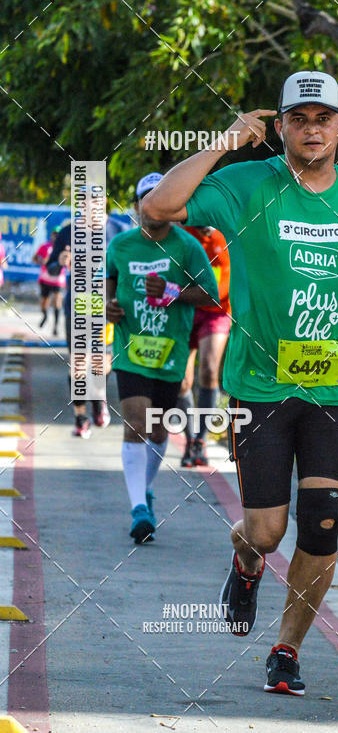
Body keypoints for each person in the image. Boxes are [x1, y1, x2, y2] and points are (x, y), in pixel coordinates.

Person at [144, 70, 338, 694]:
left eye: (323, 117)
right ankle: (246, 561)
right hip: (260, 390)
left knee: (322, 523)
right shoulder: (246, 186)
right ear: (281, 126)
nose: (312, 129)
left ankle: (286, 650)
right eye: (298, 118)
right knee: (268, 530)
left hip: (333, 392)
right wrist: (222, 143)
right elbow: (158, 209)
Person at [106, 173, 220, 544]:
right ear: (137, 206)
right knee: (135, 420)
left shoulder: (187, 247)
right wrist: (107, 308)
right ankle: (139, 508)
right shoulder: (120, 245)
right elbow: (106, 284)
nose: (153, 207)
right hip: (131, 350)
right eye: (145, 199)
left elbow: (211, 295)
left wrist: (172, 290)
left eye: (161, 199)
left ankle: (146, 491)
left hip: (169, 352)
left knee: (158, 429)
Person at [46, 197, 125, 436]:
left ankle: (98, 397)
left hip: (106, 305)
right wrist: (59, 262)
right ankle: (80, 417)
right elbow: (51, 267)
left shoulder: (118, 231)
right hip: (78, 305)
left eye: (95, 201)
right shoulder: (69, 232)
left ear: (104, 203)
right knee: (79, 362)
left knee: (104, 359)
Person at [178, 225, 232, 468]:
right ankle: (190, 440)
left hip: (218, 312)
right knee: (183, 381)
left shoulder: (227, 233)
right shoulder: (182, 233)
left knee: (209, 371)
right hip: (187, 309)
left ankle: (201, 440)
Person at [33, 228, 66, 335]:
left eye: (58, 234)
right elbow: (35, 258)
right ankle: (45, 315)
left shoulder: (65, 248)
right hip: (45, 278)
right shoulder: (45, 246)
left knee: (57, 302)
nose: (56, 236)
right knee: (44, 302)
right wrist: (42, 261)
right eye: (54, 234)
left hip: (58, 280)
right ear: (51, 235)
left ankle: (55, 327)